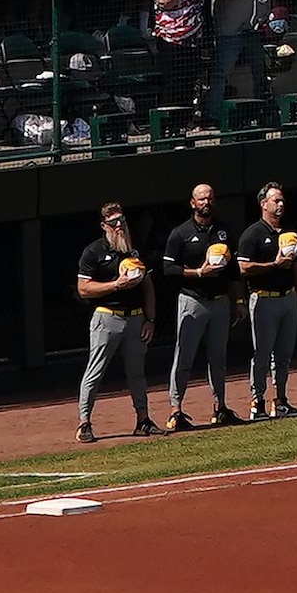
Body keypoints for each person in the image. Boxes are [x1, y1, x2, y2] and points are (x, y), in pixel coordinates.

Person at [157, 181, 240, 430]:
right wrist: (198, 272)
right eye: (201, 199)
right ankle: (176, 410)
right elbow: (168, 269)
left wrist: (239, 301)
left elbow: (234, 270)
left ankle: (220, 407)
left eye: (210, 198)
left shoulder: (223, 230)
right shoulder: (180, 233)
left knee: (218, 357)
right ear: (193, 203)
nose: (206, 202)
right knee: (184, 357)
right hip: (192, 300)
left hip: (220, 301)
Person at [76, 204, 160, 441]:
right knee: (95, 371)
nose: (119, 225)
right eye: (113, 222)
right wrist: (116, 285)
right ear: (104, 226)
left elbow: (148, 288)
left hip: (135, 319)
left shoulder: (134, 250)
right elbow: (83, 288)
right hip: (106, 317)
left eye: (121, 220)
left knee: (137, 372)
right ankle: (84, 423)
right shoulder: (94, 251)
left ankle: (143, 420)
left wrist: (150, 320)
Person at [237, 181, 297, 420]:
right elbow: (243, 268)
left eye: (282, 200)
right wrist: (273, 265)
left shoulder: (287, 232)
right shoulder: (253, 233)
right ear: (263, 203)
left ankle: (281, 400)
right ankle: (258, 403)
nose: (280, 205)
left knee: (284, 355)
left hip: (288, 297)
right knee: (262, 354)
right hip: (263, 299)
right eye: (276, 200)